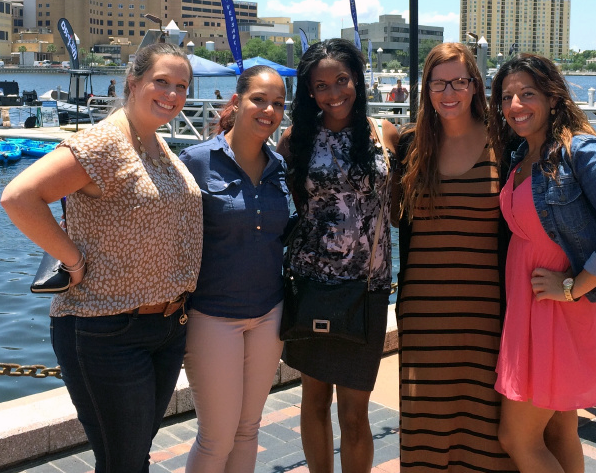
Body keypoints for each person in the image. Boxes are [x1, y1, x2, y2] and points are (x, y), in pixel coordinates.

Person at [1, 42, 203, 473]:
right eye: (161, 82)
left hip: (165, 326)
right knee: (124, 461)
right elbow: (20, 197)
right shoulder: (104, 142)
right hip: (106, 328)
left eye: (181, 86)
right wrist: (71, 260)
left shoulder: (155, 143)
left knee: (130, 457)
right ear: (133, 83)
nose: (172, 94)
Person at [488, 53, 596, 473]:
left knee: (516, 437)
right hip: (532, 309)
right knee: (559, 432)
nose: (515, 106)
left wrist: (574, 287)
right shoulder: (521, 154)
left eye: (527, 94)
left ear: (553, 97)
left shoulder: (580, 148)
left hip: (557, 310)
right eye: (506, 97)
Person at [393, 43, 516, 472]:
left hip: (487, 315)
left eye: (459, 81)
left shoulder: (504, 142)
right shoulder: (410, 145)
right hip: (424, 314)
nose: (449, 92)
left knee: (485, 425)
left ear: (475, 86)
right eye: (438, 82)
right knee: (427, 422)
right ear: (425, 88)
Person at [277, 38, 398, 473]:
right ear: (309, 91)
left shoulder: (383, 133)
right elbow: (286, 203)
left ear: (358, 80)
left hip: (367, 287)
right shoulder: (296, 139)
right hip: (311, 284)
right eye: (321, 85)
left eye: (342, 80)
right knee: (313, 400)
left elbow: (400, 205)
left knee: (354, 411)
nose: (333, 93)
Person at [179, 66, 290, 473]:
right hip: (212, 315)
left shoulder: (279, 167)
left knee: (248, 429)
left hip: (268, 314)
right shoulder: (196, 161)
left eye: (278, 103)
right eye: (259, 99)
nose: (268, 110)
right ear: (237, 101)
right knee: (216, 437)